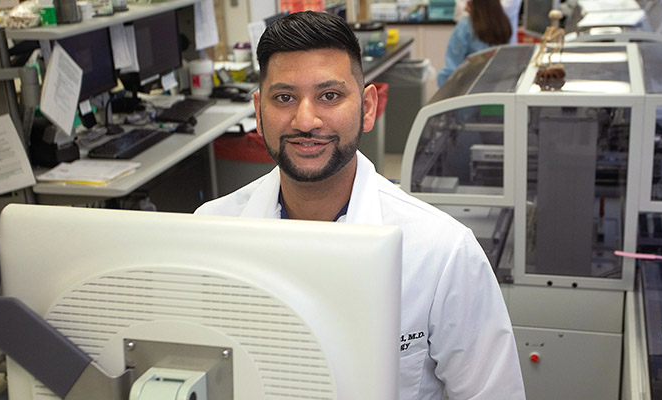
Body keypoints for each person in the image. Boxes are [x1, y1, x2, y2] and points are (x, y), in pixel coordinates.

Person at [195, 11, 525, 400]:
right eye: (284, 97)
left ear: (367, 107)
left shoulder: (441, 252)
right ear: (259, 113)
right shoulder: (211, 232)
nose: (306, 120)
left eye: (329, 96)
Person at [438, 0, 513, 86]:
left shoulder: (465, 26)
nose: (465, 7)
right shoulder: (504, 24)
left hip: (469, 88)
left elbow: (452, 69)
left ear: (477, 5)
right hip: (498, 86)